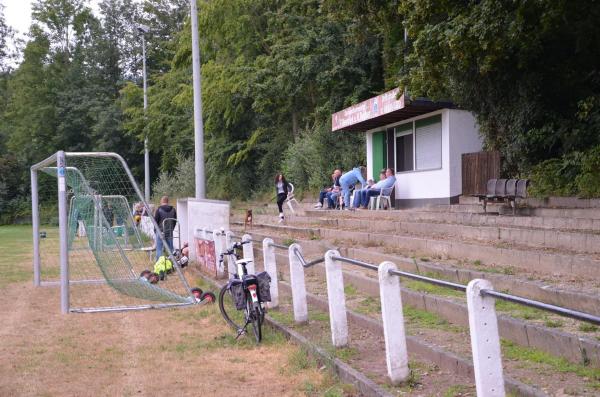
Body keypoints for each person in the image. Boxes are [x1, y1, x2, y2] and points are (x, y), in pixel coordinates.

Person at [154, 196, 177, 261]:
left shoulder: (159, 210)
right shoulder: (173, 210)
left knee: (159, 249)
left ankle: (160, 263)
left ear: (161, 201)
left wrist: (155, 230)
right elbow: (174, 221)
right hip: (169, 231)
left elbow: (155, 222)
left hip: (161, 232)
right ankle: (172, 262)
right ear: (167, 201)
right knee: (170, 248)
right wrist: (172, 229)